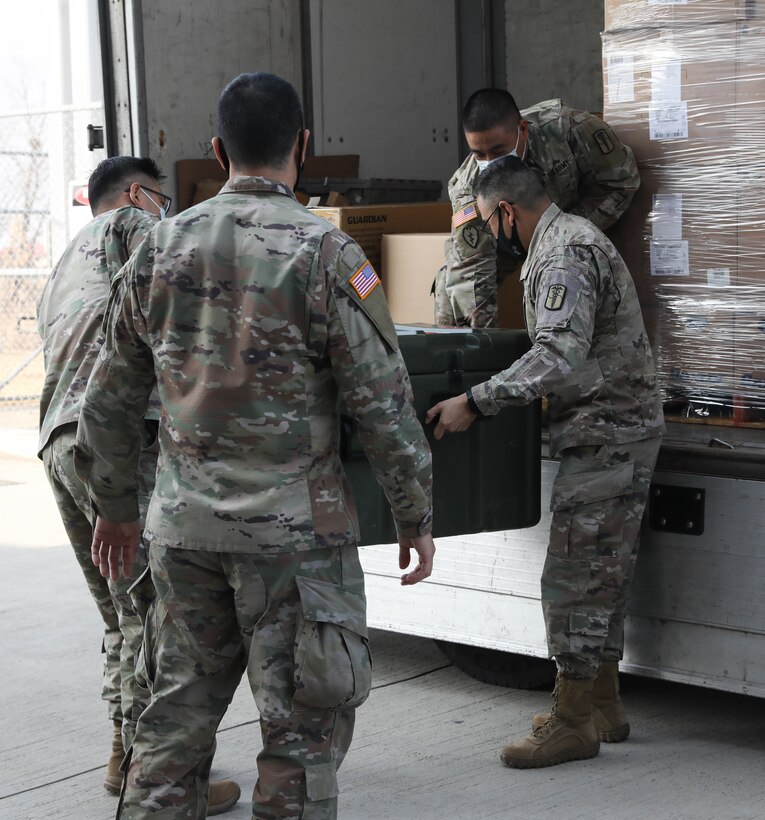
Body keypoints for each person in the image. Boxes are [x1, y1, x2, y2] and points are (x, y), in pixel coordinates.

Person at [74, 71, 436, 819]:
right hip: (295, 542)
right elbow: (382, 401)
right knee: (301, 732)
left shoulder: (157, 248)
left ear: (216, 151)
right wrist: (413, 511)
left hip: (182, 533)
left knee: (171, 725)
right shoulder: (329, 255)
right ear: (303, 146)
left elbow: (106, 395)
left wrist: (114, 507)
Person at [427, 156, 664, 769]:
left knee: (572, 580)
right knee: (600, 572)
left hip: (606, 431)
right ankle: (603, 705)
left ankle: (572, 721)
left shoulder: (562, 253)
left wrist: (476, 402)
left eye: (486, 221)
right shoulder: (570, 240)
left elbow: (558, 352)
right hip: (613, 428)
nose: (489, 235)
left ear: (506, 211)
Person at [37, 157, 240, 814]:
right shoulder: (130, 221)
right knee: (163, 616)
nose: (167, 212)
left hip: (60, 444)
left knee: (122, 613)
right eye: (164, 199)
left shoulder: (63, 267)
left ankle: (126, 755)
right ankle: (167, 779)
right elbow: (192, 275)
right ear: (133, 194)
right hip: (121, 442)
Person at [435, 88, 640, 328]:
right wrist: (484, 346)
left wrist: (565, 232)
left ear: (522, 130)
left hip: (572, 221)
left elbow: (621, 181)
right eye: (479, 154)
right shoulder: (468, 190)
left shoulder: (568, 130)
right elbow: (472, 276)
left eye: (499, 151)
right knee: (451, 291)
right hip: (504, 241)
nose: (490, 162)